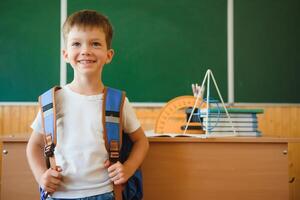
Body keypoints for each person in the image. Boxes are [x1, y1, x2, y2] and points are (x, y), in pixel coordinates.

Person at [26, 10, 149, 200]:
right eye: (76, 43)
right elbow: (34, 145)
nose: (85, 50)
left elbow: (141, 141)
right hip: (58, 195)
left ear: (109, 55)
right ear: (65, 54)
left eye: (95, 43)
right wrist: (41, 176)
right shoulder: (53, 100)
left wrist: (128, 168)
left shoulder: (118, 102)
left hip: (104, 193)